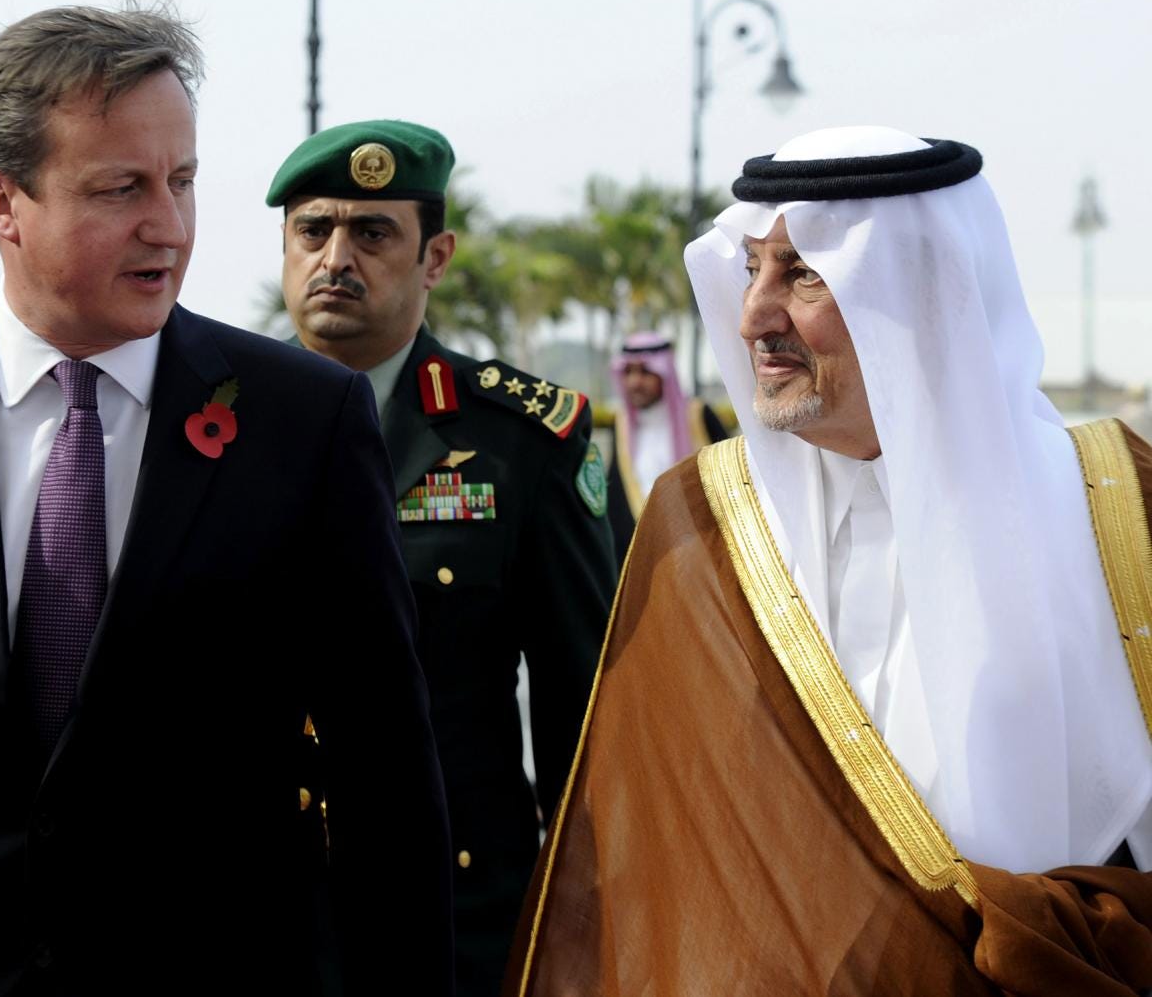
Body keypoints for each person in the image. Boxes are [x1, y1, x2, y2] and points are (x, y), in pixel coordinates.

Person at [0, 1, 453, 997]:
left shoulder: (303, 422)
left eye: (181, 181)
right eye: (120, 188)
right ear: (3, 201)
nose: (171, 226)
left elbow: (386, 783)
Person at [507, 127, 1152, 996]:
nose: (753, 318)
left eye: (804, 274)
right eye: (751, 270)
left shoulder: (1122, 509)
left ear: (921, 292)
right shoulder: (702, 518)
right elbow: (650, 854)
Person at [268, 119, 617, 997]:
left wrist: (584, 927)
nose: (336, 258)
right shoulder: (213, 425)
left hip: (456, 917)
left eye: (373, 233)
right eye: (314, 230)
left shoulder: (523, 442)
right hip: (254, 913)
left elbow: (585, 722)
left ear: (436, 257)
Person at [606, 331, 727, 560]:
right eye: (628, 372)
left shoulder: (698, 416)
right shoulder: (621, 424)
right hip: (642, 554)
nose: (634, 382)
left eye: (645, 372)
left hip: (700, 552)